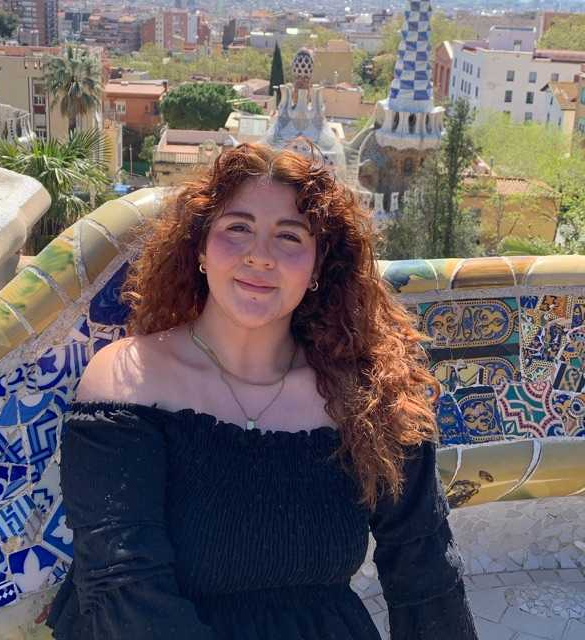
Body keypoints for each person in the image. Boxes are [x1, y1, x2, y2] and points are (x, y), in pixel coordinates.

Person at [45, 142, 479, 640]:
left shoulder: (367, 394)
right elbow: (123, 586)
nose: (260, 256)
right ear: (201, 248)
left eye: (289, 236)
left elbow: (425, 567)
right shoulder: (128, 381)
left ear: (318, 267)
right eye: (238, 228)